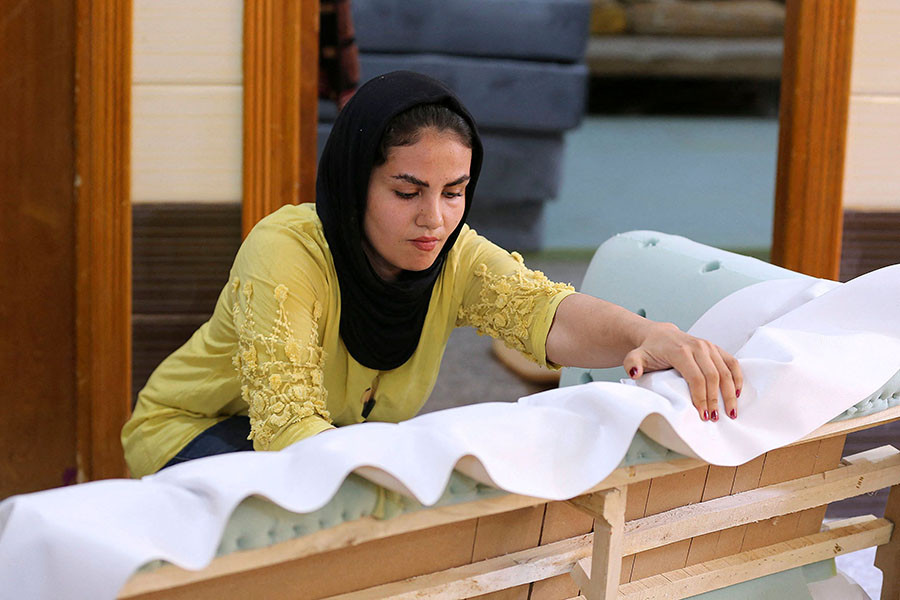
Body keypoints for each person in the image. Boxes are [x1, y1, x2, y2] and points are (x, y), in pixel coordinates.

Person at [122, 71, 742, 478]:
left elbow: (546, 312)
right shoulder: (286, 252)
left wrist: (648, 333)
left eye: (455, 192)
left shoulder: (454, 254)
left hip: (333, 447)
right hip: (205, 435)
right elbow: (287, 432)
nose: (434, 219)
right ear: (353, 180)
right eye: (407, 190)